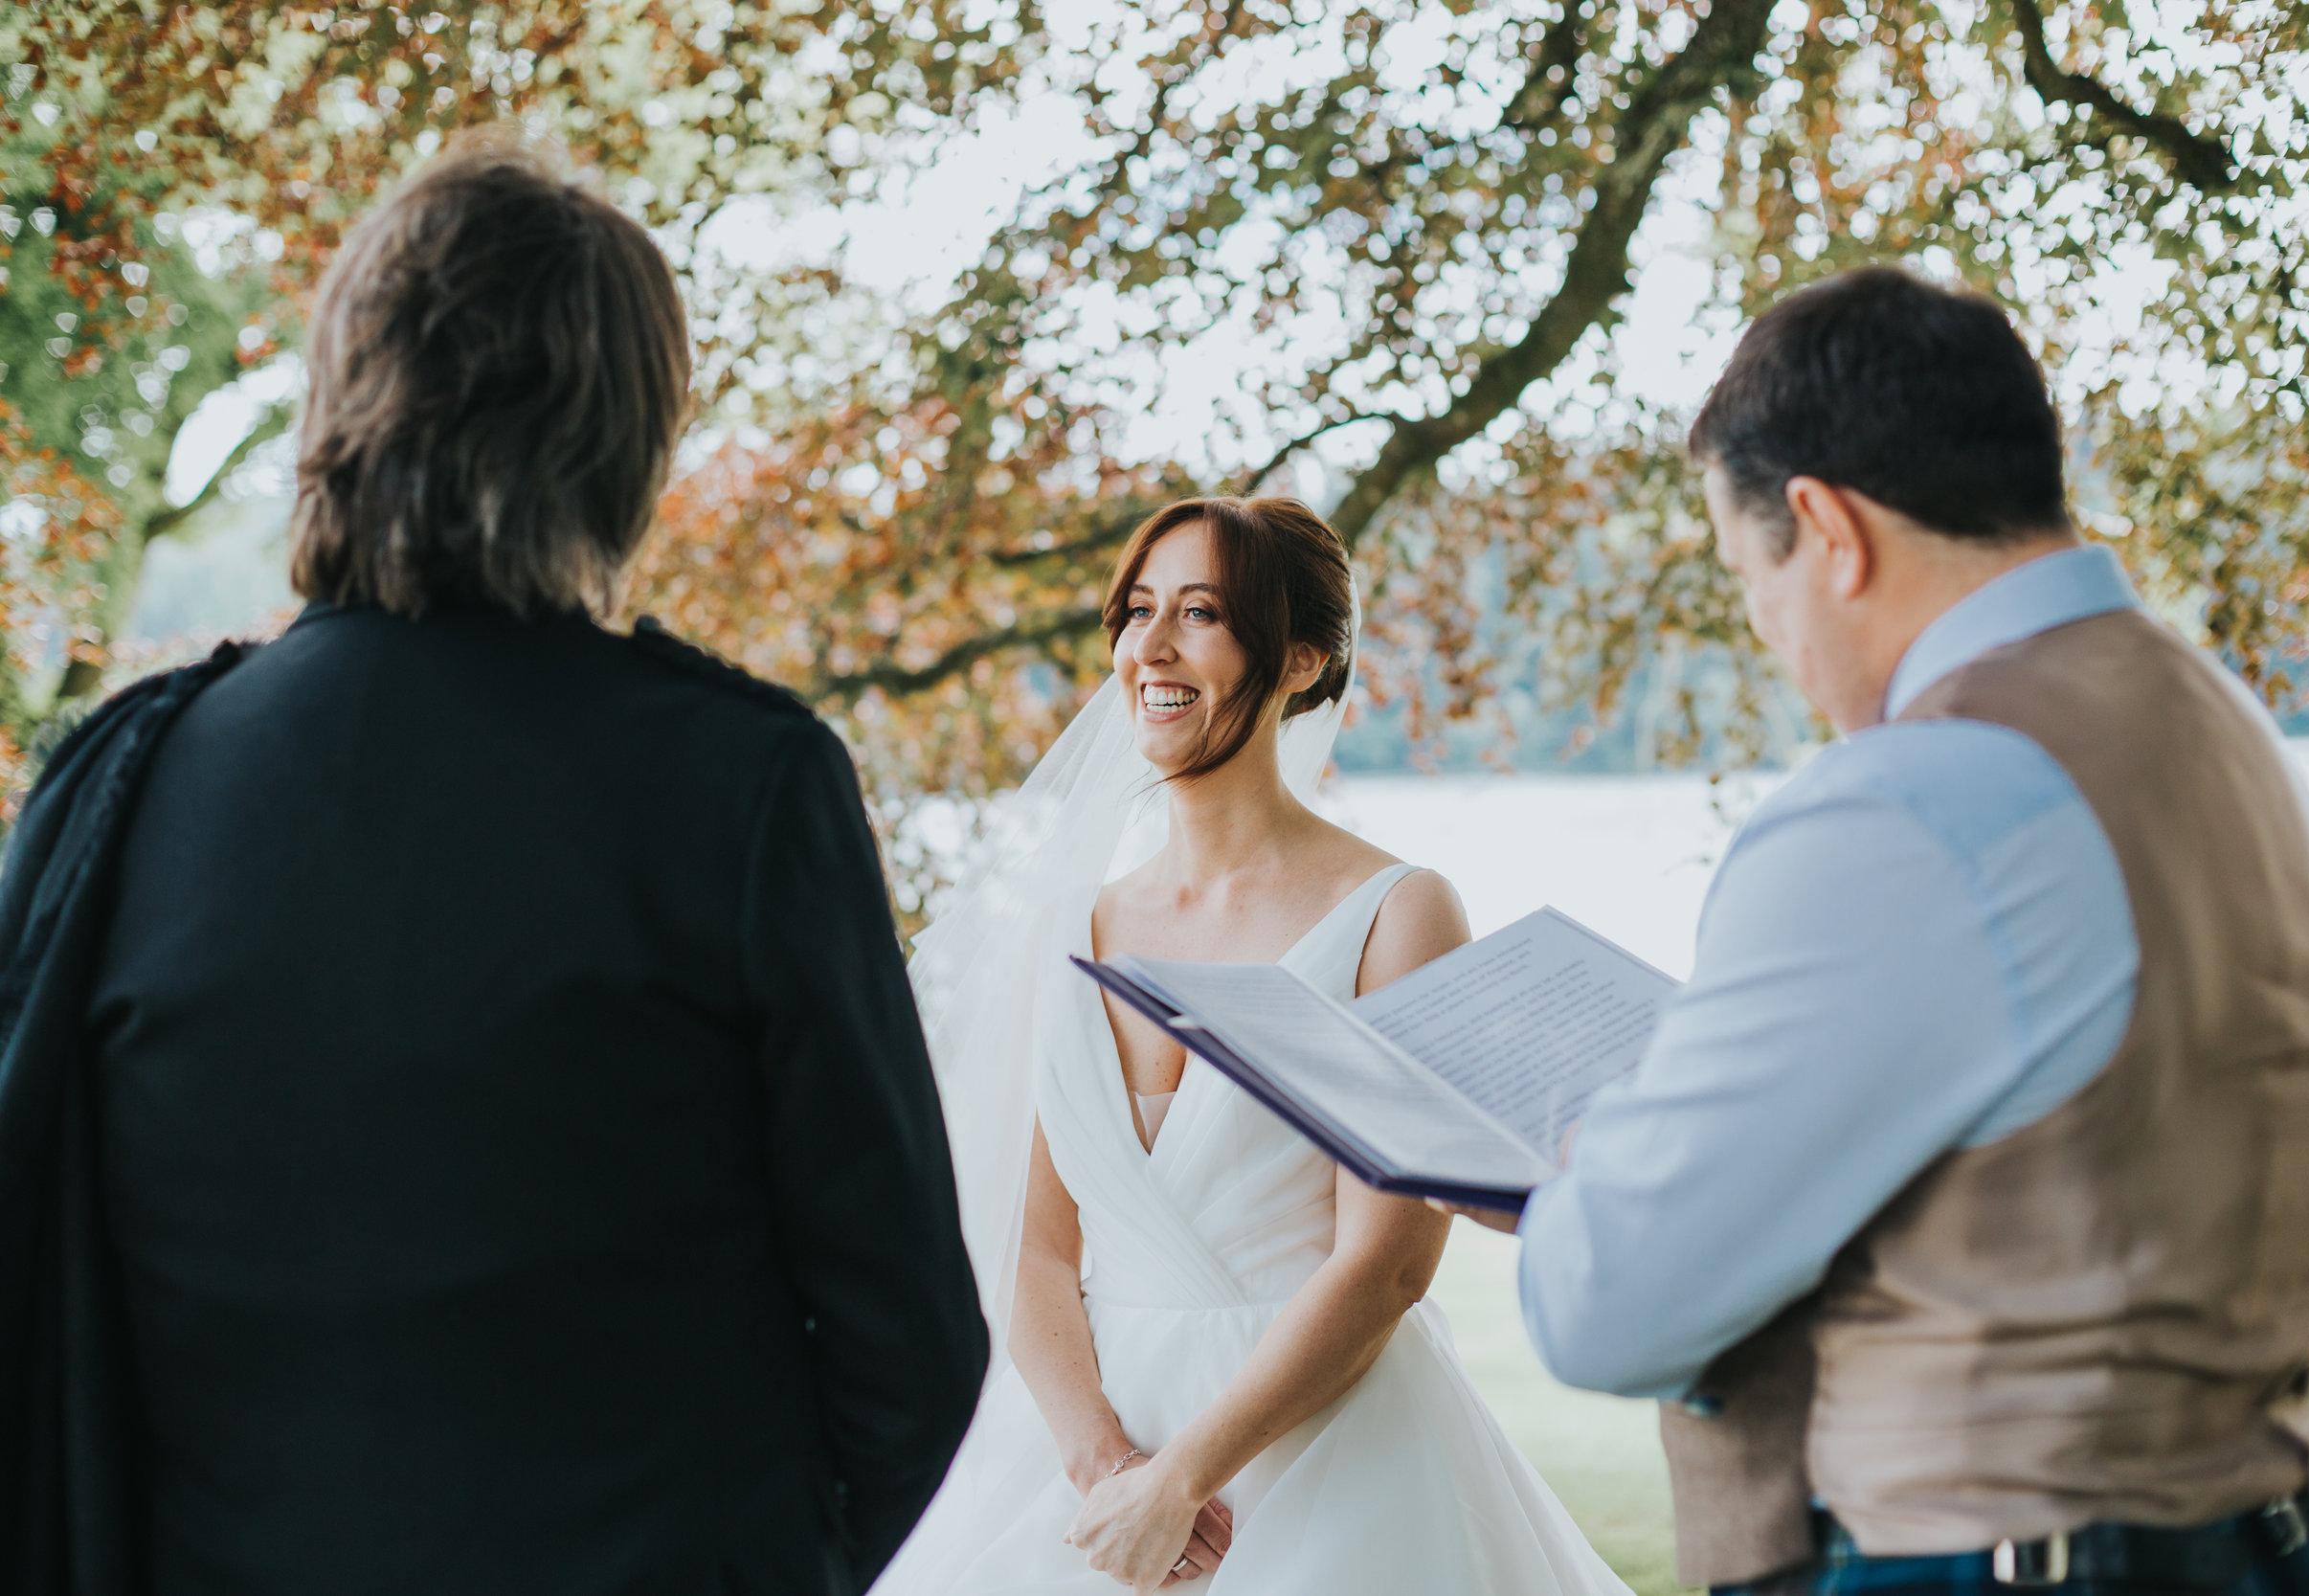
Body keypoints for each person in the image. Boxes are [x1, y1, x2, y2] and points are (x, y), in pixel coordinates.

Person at [18, 131, 987, 1594]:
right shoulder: (743, 782)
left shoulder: (118, 783)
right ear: (627, 434)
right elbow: (909, 1349)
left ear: (342, 400)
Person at [1452, 267, 2309, 1595]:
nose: (1768, 634)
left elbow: (1608, 1309)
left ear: (1827, 528)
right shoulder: (2224, 724)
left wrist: (1604, 1154)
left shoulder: (1919, 794)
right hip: (2286, 1534)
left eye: (1746, 576)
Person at [872, 497, 1628, 1596]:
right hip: (1096, 1453)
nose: (1152, 647)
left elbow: (1388, 1260)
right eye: (1137, 611)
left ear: (1300, 661)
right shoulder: (1068, 924)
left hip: (1337, 1453)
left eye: (1203, 613)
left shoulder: (1395, 912)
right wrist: (1105, 1470)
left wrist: (1184, 1476)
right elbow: (1033, 1245)